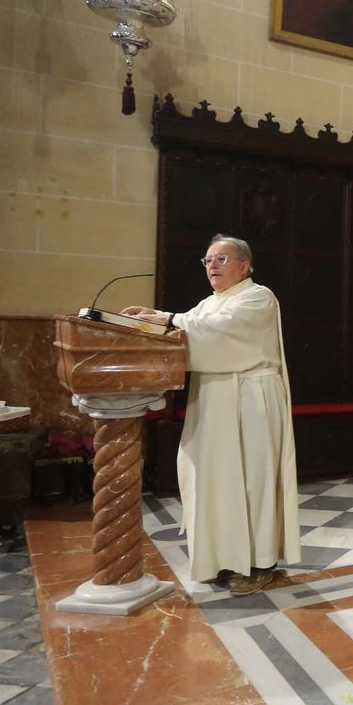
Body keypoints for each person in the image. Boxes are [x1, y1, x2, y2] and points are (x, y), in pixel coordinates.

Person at [122, 235, 299, 595]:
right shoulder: (211, 302)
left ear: (244, 266)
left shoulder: (257, 297)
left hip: (251, 400)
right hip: (216, 401)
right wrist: (152, 322)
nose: (212, 266)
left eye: (220, 259)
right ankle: (224, 559)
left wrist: (167, 319)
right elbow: (191, 321)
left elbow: (219, 329)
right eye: (207, 261)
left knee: (252, 482)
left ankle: (260, 565)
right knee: (215, 482)